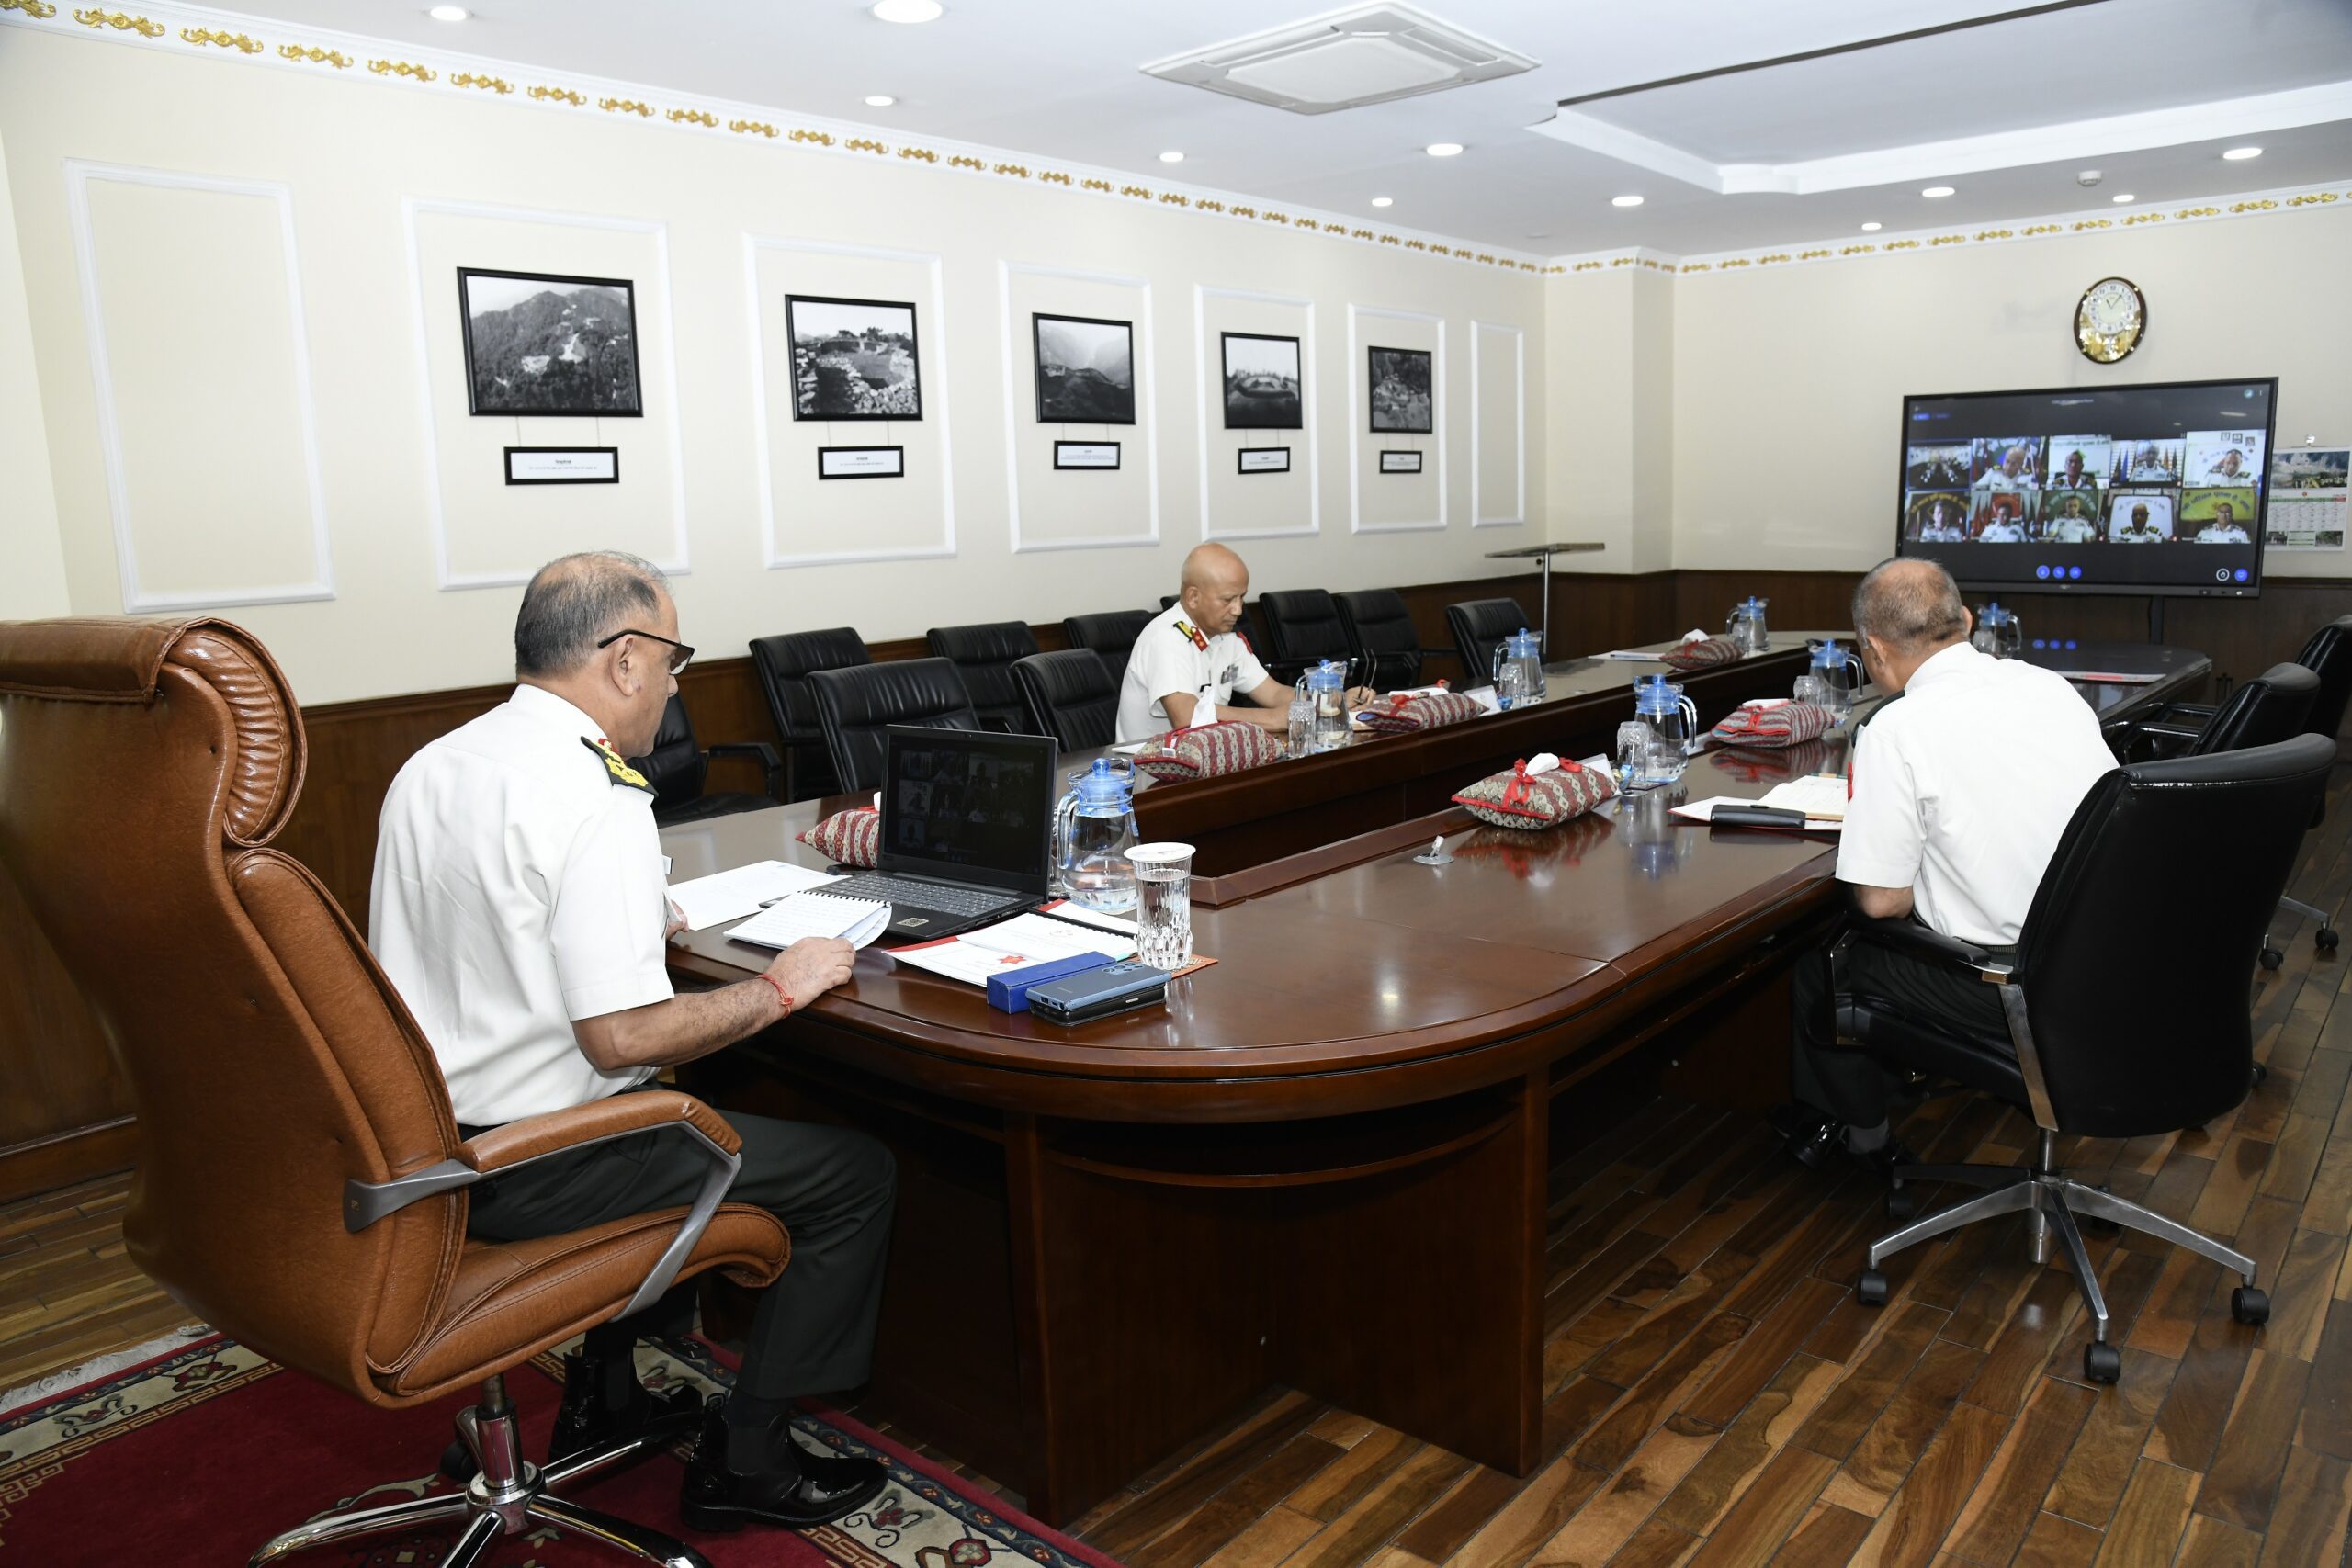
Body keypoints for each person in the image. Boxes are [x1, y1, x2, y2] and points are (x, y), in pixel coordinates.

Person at [370, 550, 895, 1532]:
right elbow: (621, 1036)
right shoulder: (594, 793)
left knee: (671, 1104)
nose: (674, 684)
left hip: (424, 1147)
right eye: (672, 661)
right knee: (853, 1174)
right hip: (538, 1160)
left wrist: (628, 918)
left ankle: (602, 1397)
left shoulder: (434, 765)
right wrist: (782, 986)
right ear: (623, 660)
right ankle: (750, 1457)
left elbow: (485, 935)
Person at [1772, 559, 2116, 1173]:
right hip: (2113, 957)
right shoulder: (2050, 687)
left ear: (1875, 651)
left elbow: (1882, 901)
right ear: (1966, 621)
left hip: (2019, 984)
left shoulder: (1896, 728)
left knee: (1825, 968)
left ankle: (1864, 1143)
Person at [1116, 542, 1372, 742]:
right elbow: (1187, 717)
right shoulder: (1166, 638)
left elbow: (1273, 693)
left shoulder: (1227, 639)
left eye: (1242, 598)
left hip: (1205, 761)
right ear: (1193, 597)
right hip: (1149, 776)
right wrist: (1273, 719)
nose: (1238, 610)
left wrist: (1331, 701)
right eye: (1228, 600)